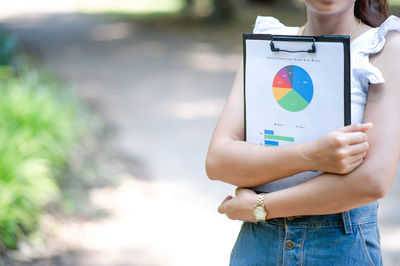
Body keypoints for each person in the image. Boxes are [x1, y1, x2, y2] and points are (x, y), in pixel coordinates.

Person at [205, 0, 400, 265]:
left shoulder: (384, 46)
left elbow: (372, 180)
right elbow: (218, 161)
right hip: (257, 246)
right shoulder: (266, 44)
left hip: (340, 247)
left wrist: (261, 207)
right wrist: (313, 155)